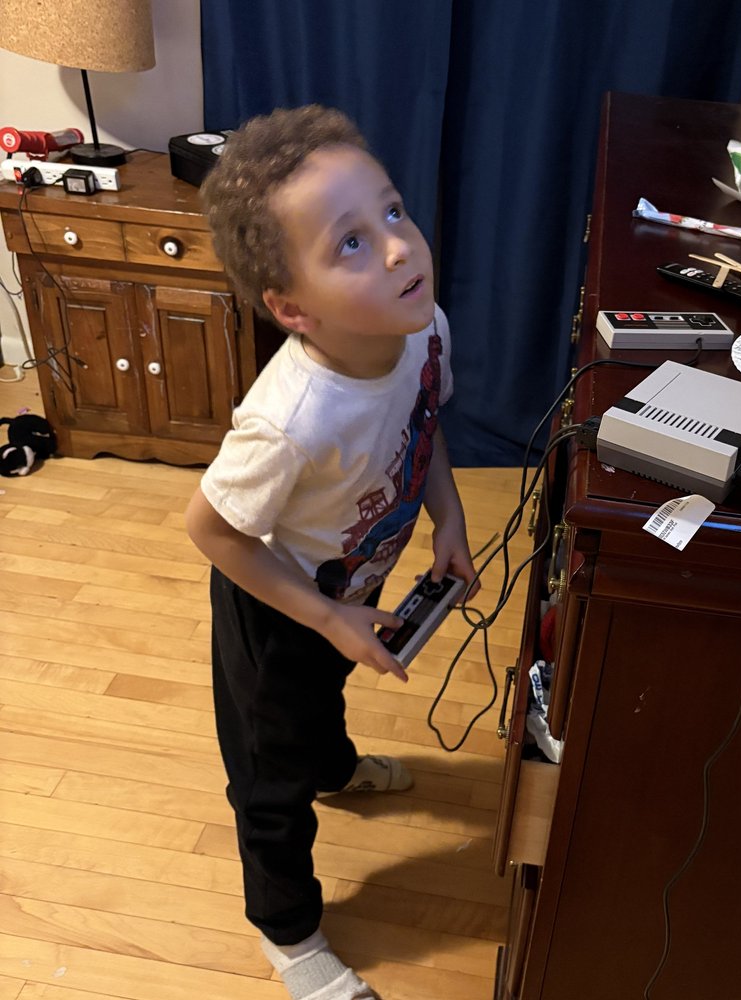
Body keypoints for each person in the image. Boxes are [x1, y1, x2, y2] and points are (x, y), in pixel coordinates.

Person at [185, 104, 479, 1000]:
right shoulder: (290, 420)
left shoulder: (422, 328)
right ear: (291, 309)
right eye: (351, 243)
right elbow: (211, 530)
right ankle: (287, 932)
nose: (398, 248)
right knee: (268, 779)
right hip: (277, 610)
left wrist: (449, 520)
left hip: (352, 588)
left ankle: (335, 768)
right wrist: (323, 616)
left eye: (393, 211)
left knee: (327, 696)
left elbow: (423, 427)